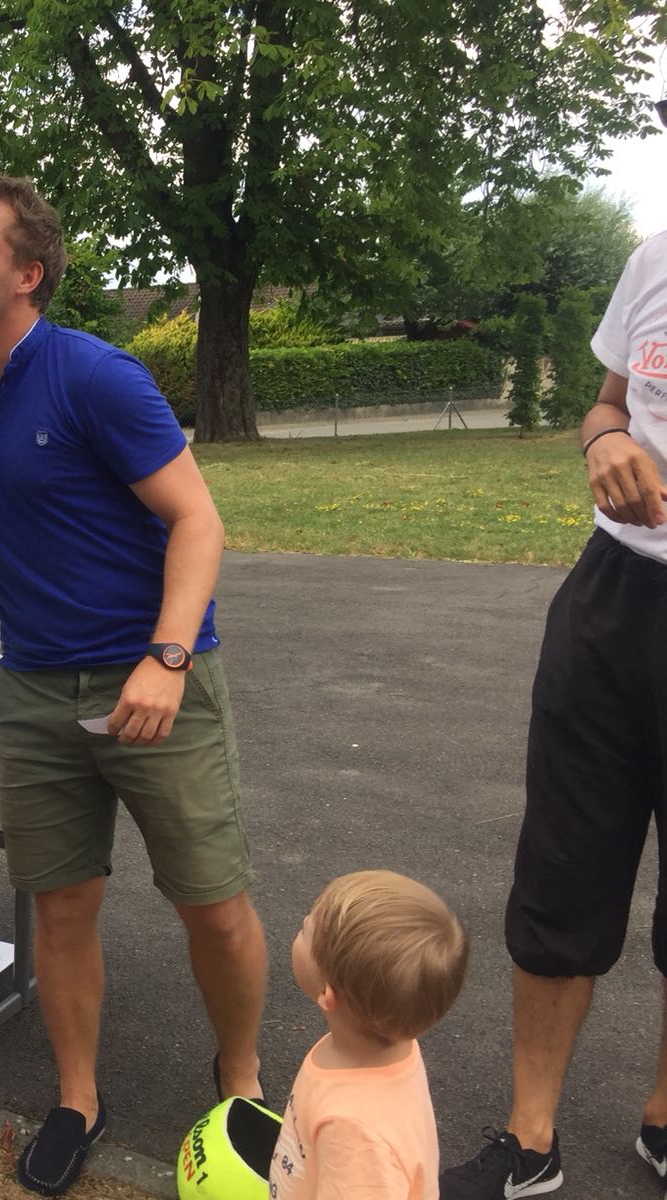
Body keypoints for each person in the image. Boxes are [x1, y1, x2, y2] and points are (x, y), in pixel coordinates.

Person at [0, 173, 268, 1196]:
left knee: (211, 904)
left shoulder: (94, 376)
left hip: (153, 680)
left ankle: (242, 1081)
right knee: (60, 909)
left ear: (28, 273)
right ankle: (77, 1099)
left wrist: (167, 658)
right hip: (32, 691)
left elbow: (197, 519)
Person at [441, 232, 667, 1198]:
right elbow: (609, 402)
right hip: (612, 595)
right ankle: (529, 1141)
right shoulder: (655, 260)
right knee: (562, 871)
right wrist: (603, 436)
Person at [271, 871, 468, 1199]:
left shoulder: (355, 1136)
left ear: (328, 995)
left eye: (308, 930)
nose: (303, 920)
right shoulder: (386, 1042)